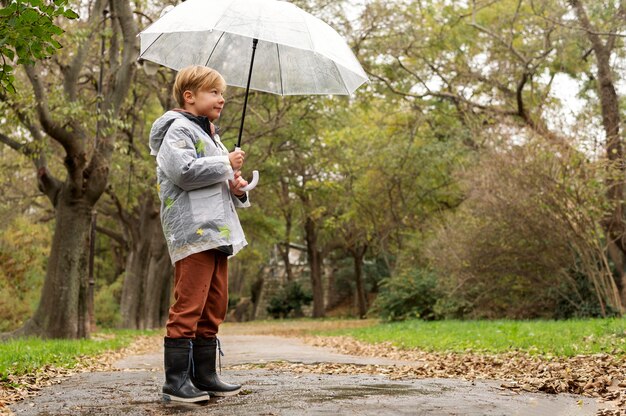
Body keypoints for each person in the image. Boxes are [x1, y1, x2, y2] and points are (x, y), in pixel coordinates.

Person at [149, 65, 249, 403]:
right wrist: (225, 164)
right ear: (189, 97)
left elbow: (212, 178)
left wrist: (235, 185)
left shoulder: (210, 134)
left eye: (222, 93)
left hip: (217, 231)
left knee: (214, 305)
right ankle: (175, 383)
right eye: (214, 92)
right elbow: (185, 172)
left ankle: (204, 375)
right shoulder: (177, 130)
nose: (222, 98)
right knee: (189, 303)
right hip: (193, 231)